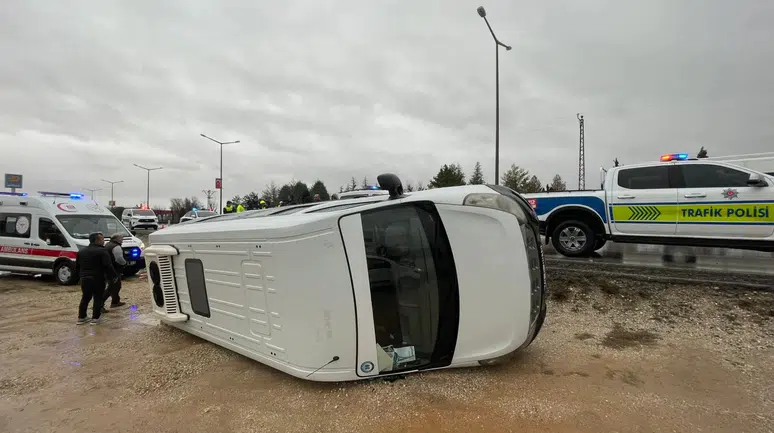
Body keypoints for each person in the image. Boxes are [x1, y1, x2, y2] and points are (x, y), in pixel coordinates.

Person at [75, 232, 118, 325]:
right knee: (98, 297)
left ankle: (81, 317)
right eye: (102, 239)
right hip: (97, 278)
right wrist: (114, 276)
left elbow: (77, 266)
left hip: (84, 278)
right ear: (97, 240)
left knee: (85, 297)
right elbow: (108, 266)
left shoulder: (81, 251)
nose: (103, 241)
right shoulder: (102, 251)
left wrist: (80, 277)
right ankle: (95, 318)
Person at [103, 233, 127, 309]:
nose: (122, 239)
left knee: (116, 286)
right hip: (114, 269)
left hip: (107, 268)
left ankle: (115, 301)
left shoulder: (107, 245)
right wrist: (125, 263)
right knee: (112, 287)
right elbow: (119, 259)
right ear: (117, 239)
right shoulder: (116, 247)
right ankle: (100, 304)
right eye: (121, 238)